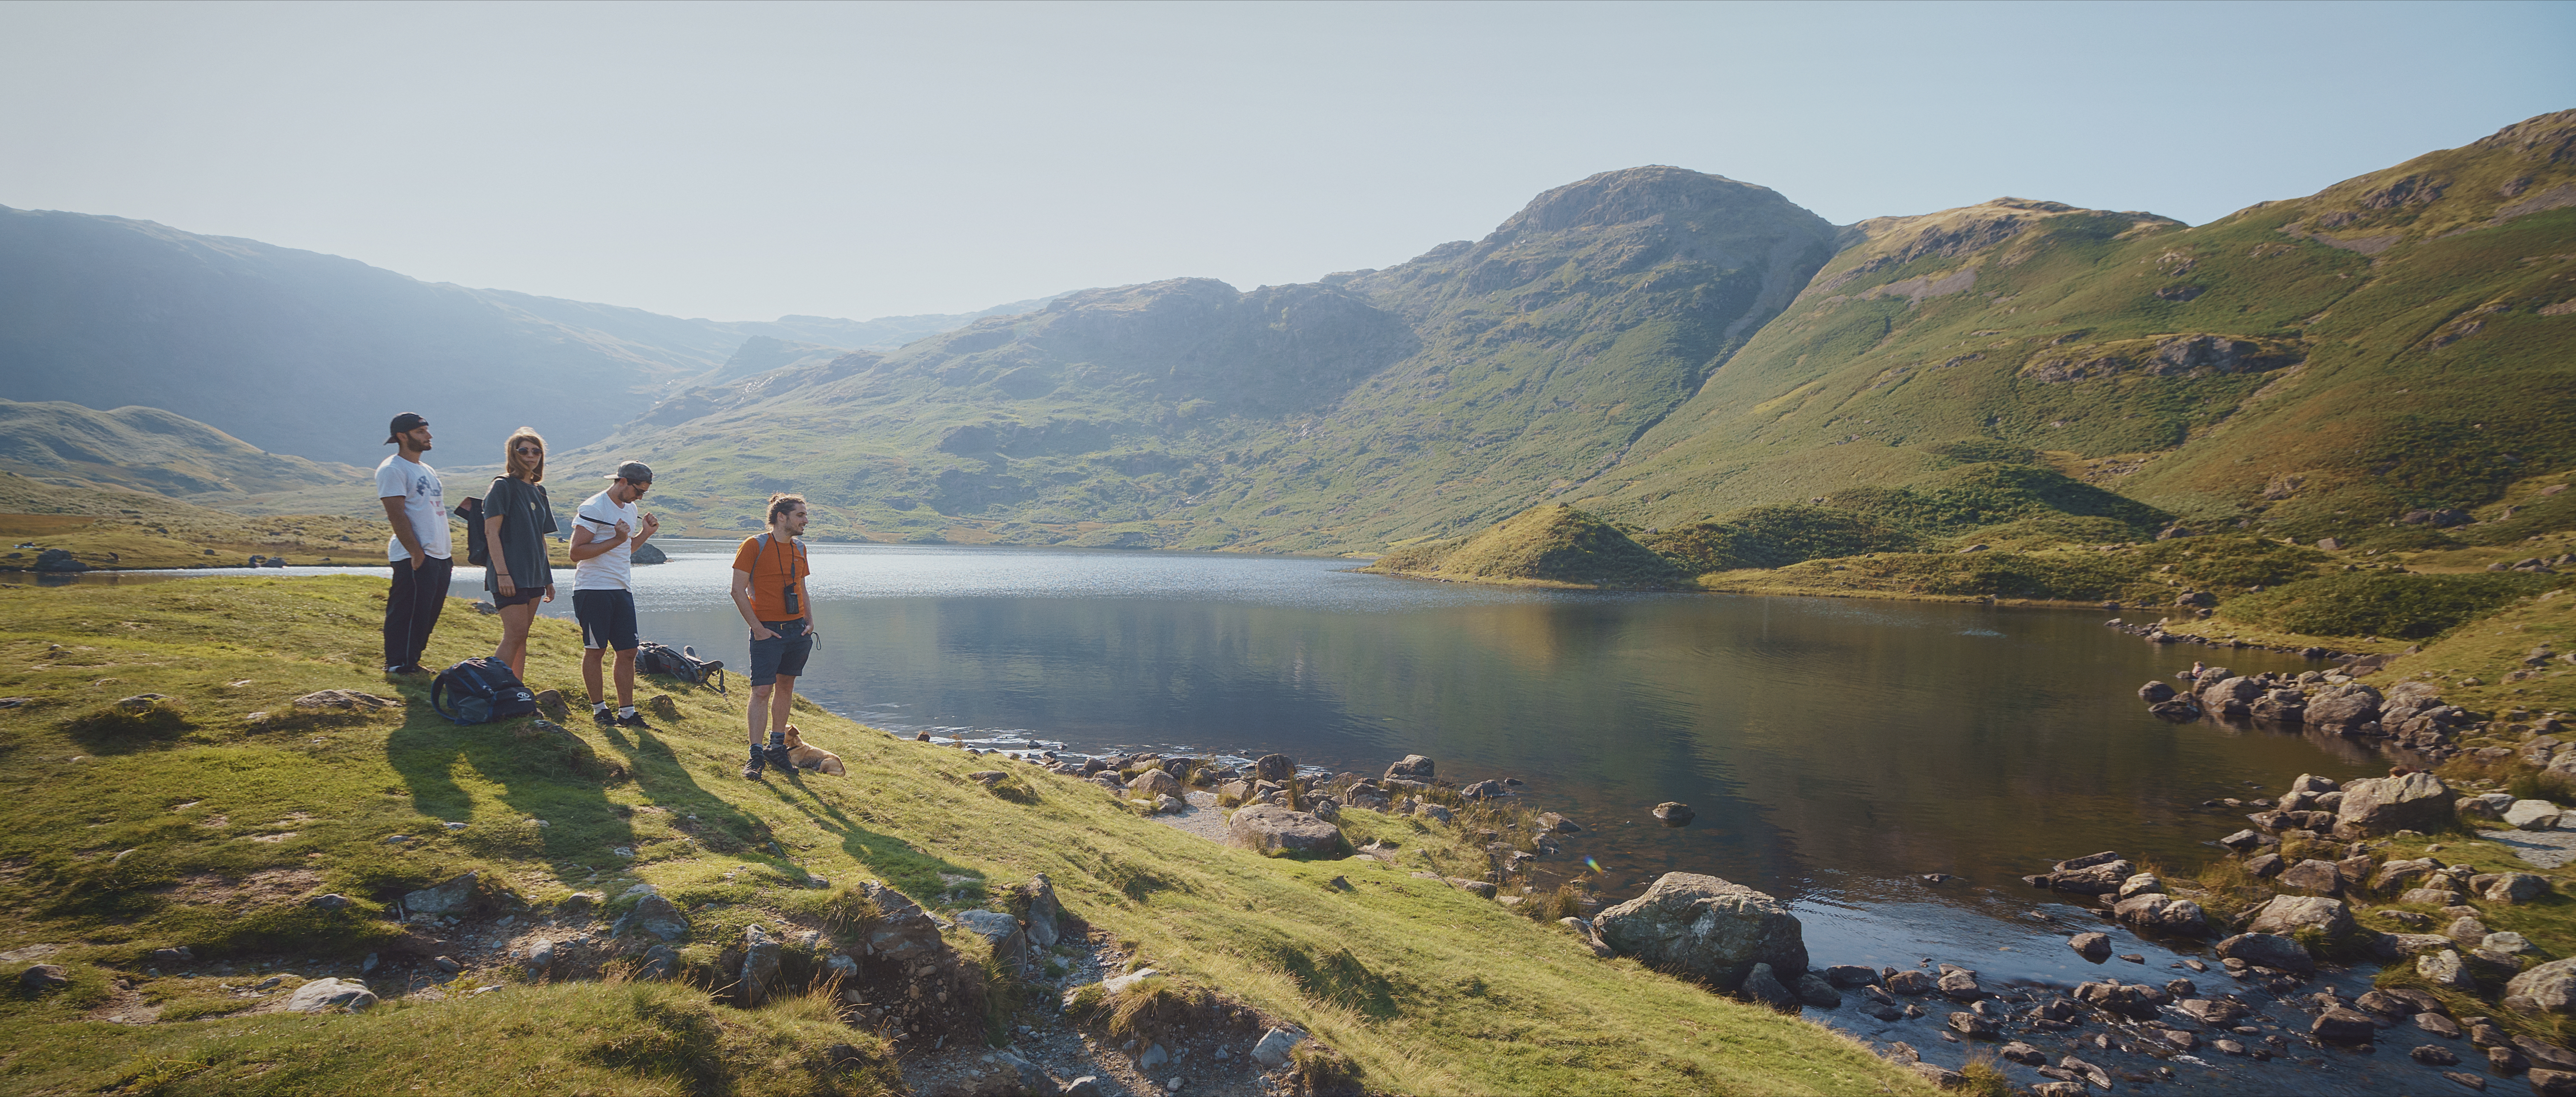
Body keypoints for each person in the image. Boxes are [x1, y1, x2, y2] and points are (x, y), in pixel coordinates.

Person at [731, 493, 816, 779]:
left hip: (797, 630)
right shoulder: (753, 546)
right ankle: (755, 755)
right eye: (801, 515)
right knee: (761, 691)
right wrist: (757, 628)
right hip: (767, 630)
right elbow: (737, 590)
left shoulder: (800, 548)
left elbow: (801, 587)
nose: (806, 520)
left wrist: (810, 620)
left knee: (786, 686)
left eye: (805, 515)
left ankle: (777, 747)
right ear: (782, 517)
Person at [571, 461, 659, 727]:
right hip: (593, 589)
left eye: (644, 493)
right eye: (638, 491)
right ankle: (600, 711)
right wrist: (616, 540)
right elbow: (576, 553)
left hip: (622, 589)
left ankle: (627, 714)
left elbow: (625, 550)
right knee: (595, 651)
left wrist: (645, 533)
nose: (640, 498)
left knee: (629, 652)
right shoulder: (594, 508)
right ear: (622, 481)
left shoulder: (630, 508)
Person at [376, 412, 450, 675]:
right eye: (421, 432)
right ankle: (397, 664)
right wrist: (416, 553)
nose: (428, 436)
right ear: (402, 436)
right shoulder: (392, 469)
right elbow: (396, 513)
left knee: (426, 614)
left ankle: (412, 662)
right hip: (415, 555)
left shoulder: (426, 469)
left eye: (427, 430)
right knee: (406, 612)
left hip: (440, 554)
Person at [481, 427, 557, 679]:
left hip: (535, 574)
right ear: (513, 454)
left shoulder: (540, 491)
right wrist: (502, 574)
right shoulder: (502, 486)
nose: (531, 455)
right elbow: (492, 533)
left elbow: (541, 539)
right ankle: (492, 688)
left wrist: (548, 578)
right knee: (514, 634)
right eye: (523, 450)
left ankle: (515, 689)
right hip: (509, 574)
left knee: (522, 635)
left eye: (536, 451)